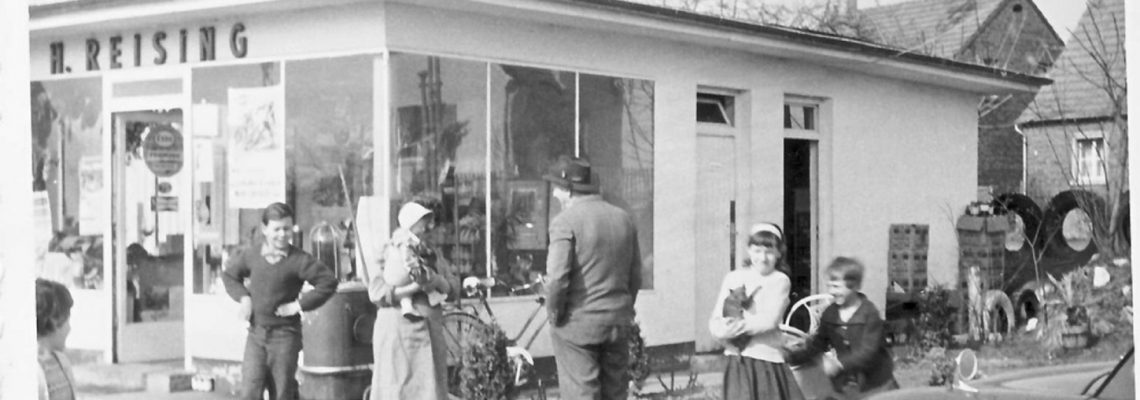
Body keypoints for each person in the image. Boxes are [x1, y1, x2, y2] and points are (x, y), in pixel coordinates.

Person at [543, 156, 641, 400]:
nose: (555, 194)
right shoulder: (623, 218)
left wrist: (554, 315)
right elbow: (636, 275)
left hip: (578, 326)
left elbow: (556, 279)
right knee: (615, 394)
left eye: (557, 188)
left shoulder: (564, 222)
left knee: (582, 395)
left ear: (568, 189)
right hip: (617, 322)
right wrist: (623, 309)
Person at [222, 202, 338, 400]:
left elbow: (328, 282)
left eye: (287, 228)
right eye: (277, 229)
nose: (282, 234)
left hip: (285, 336)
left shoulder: (299, 260)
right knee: (250, 390)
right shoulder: (252, 255)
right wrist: (244, 298)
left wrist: (299, 305)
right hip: (256, 335)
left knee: (283, 392)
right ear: (265, 229)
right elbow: (230, 276)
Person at [367, 201, 458, 400]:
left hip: (430, 334)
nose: (429, 227)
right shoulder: (391, 250)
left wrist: (438, 281)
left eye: (429, 222)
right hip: (397, 333)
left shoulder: (434, 253)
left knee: (429, 390)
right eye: (423, 222)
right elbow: (375, 292)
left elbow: (453, 286)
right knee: (397, 389)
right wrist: (409, 290)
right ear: (410, 224)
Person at [707, 223, 805, 400]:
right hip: (738, 360)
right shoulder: (733, 277)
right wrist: (721, 331)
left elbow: (769, 321)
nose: (763, 258)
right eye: (757, 251)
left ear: (779, 253)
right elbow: (716, 318)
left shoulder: (779, 280)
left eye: (769, 251)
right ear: (749, 250)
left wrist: (737, 327)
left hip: (766, 359)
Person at [785, 257, 898, 399]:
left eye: (837, 287)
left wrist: (839, 364)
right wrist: (794, 356)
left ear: (854, 286)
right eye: (829, 286)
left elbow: (869, 351)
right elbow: (818, 343)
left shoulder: (869, 313)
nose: (832, 291)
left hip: (876, 380)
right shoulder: (830, 313)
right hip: (847, 382)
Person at [37, 278, 76, 400]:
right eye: (66, 320)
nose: (69, 328)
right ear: (54, 320)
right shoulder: (31, 372)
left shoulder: (63, 363)